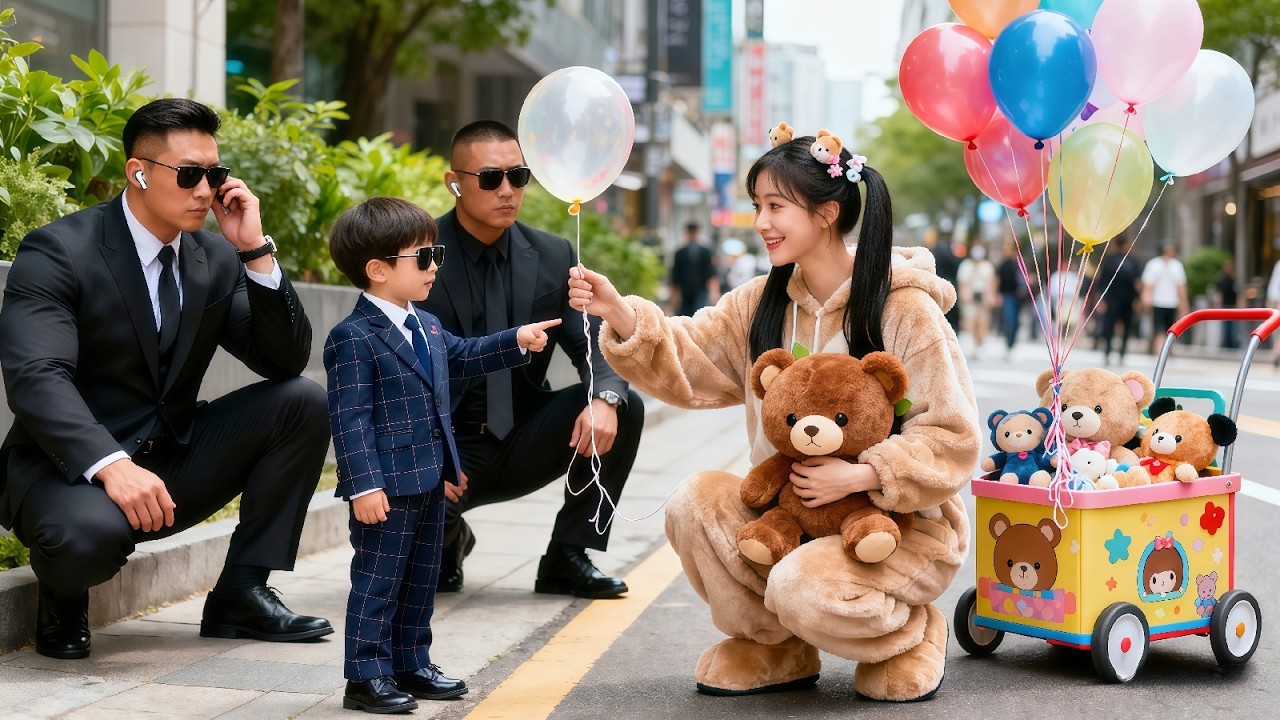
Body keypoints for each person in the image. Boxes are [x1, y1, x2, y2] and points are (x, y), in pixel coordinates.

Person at [568, 134, 978, 701]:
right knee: (693, 502)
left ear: (826, 213)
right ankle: (776, 646)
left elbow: (953, 437)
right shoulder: (760, 301)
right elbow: (692, 356)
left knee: (799, 585)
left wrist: (863, 474)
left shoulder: (905, 308)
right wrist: (618, 311)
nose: (761, 221)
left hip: (897, 528)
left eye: (775, 206)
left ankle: (906, 633)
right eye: (758, 204)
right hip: (789, 510)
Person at [0, 98, 333, 660]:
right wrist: (111, 465)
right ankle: (64, 597)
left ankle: (241, 592)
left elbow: (283, 361)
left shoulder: (215, 258)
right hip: (67, 469)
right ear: (138, 173)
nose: (206, 190)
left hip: (170, 458)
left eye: (215, 175)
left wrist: (255, 250)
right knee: (84, 540)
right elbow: (37, 375)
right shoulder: (60, 250)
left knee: (302, 402)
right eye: (189, 174)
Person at [324, 197, 560, 713]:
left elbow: (464, 355)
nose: (435, 266)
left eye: (437, 255)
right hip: (386, 487)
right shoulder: (353, 338)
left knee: (421, 579)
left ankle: (412, 662)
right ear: (378, 270)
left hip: (431, 479)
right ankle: (366, 676)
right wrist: (364, 486)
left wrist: (517, 340)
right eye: (424, 257)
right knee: (378, 582)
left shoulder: (426, 325)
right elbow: (349, 419)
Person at [417, 120, 644, 597]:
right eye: (490, 178)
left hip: (523, 434)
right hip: (445, 444)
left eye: (517, 176)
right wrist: (423, 450)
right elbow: (391, 366)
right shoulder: (420, 253)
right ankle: (450, 541)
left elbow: (592, 343)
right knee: (431, 576)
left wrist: (604, 399)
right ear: (454, 182)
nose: (507, 191)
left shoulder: (551, 254)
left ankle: (567, 556)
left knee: (624, 405)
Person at [1097, 238, 1141, 365]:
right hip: (1120, 299)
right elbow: (1137, 283)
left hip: (1119, 299)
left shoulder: (1113, 260)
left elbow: (1102, 281)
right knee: (1117, 326)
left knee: (1113, 325)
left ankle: (1114, 352)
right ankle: (1114, 352)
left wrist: (1101, 298)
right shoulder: (1130, 261)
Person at [1141, 242, 1189, 354]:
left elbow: (1181, 286)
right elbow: (1148, 284)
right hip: (1157, 301)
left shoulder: (1177, 265)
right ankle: (1158, 351)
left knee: (1171, 328)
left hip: (1172, 302)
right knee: (1158, 328)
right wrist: (1146, 298)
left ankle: (1167, 350)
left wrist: (1184, 303)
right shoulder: (1153, 264)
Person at [956, 241, 996, 359]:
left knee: (983, 321)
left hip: (983, 297)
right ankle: (974, 343)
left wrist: (991, 296)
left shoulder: (987, 266)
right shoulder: (966, 265)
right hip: (970, 297)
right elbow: (962, 282)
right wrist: (963, 295)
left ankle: (980, 343)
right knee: (971, 320)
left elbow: (992, 281)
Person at [669, 221, 720, 315]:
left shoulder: (705, 252)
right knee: (684, 315)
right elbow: (675, 275)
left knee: (699, 314)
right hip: (684, 291)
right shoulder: (680, 252)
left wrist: (714, 291)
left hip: (701, 289)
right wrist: (675, 294)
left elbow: (711, 272)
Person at [995, 243, 1026, 361]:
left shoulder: (1021, 264)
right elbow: (998, 280)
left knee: (1016, 321)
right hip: (1008, 296)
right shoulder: (1004, 265)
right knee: (1010, 320)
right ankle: (1009, 344)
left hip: (1020, 297)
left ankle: (1012, 343)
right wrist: (998, 294)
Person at [1215, 257, 1239, 350]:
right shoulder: (1221, 280)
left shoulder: (1234, 279)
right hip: (1225, 306)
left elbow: (1239, 292)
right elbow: (1218, 293)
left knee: (1233, 327)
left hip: (1233, 306)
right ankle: (1226, 343)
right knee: (1225, 327)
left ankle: (1232, 343)